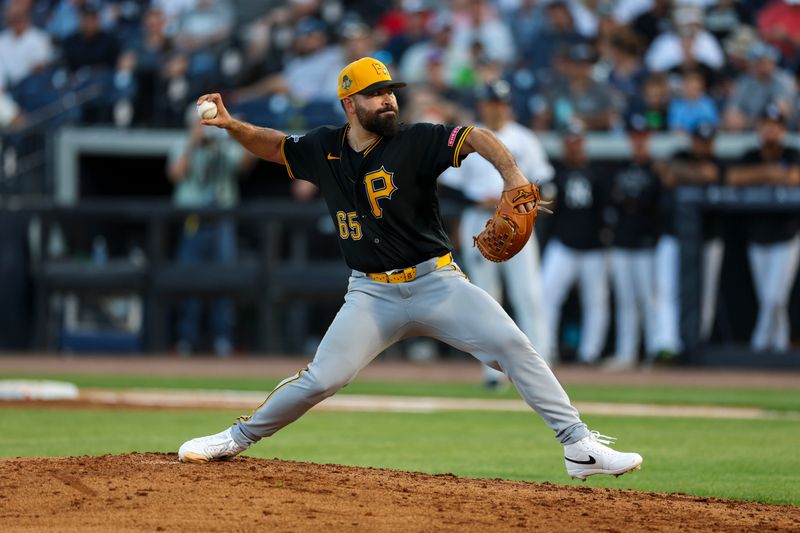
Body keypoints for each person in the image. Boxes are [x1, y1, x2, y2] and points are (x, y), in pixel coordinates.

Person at [178, 57, 643, 480]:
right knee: (323, 378)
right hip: (370, 295)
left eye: (390, 91)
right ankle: (235, 439)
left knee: (513, 344)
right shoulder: (324, 147)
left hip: (436, 283)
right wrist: (231, 124)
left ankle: (578, 446)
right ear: (349, 103)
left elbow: (475, 136)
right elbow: (276, 146)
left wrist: (514, 176)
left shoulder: (417, 140)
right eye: (375, 93)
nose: (388, 99)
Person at [439, 80, 553, 389]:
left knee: (527, 295)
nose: (497, 107)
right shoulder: (470, 137)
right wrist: (477, 201)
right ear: (483, 105)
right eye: (492, 102)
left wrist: (521, 203)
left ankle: (540, 367)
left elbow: (546, 182)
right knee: (486, 299)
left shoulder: (524, 139)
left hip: (517, 224)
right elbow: (449, 186)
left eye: (501, 102)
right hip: (480, 221)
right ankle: (493, 372)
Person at [167, 116, 251, 357]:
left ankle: (222, 338)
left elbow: (246, 163)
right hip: (193, 220)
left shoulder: (224, 146)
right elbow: (176, 173)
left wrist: (238, 132)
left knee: (224, 279)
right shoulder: (183, 143)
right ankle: (186, 338)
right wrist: (194, 142)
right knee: (189, 279)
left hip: (222, 219)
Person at [727, 104, 800, 352]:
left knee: (774, 298)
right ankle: (779, 347)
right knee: (769, 300)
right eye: (766, 125)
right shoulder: (750, 154)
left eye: (776, 125)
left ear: (782, 129)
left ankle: (758, 346)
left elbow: (794, 177)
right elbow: (734, 177)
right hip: (757, 236)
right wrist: (771, 172)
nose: (770, 130)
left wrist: (762, 175)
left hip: (786, 236)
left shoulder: (791, 152)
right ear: (758, 128)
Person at [540, 122, 610, 365]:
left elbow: (605, 211)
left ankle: (590, 353)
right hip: (563, 245)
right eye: (570, 141)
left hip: (593, 248)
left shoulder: (597, 173)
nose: (574, 146)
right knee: (546, 295)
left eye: (577, 141)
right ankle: (544, 348)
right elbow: (546, 212)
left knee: (596, 302)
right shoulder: (554, 173)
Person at [605, 115, 661, 370]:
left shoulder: (656, 169)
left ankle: (653, 352)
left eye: (642, 135)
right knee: (625, 301)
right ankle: (626, 353)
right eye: (635, 136)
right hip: (622, 242)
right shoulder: (619, 169)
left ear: (648, 138)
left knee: (649, 300)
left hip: (646, 244)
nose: (638, 140)